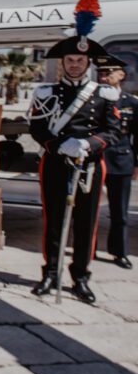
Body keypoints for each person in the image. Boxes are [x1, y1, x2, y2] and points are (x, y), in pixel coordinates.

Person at [28, 36, 121, 304]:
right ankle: (51, 274)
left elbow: (113, 132)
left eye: (80, 60)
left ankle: (80, 277)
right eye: (70, 60)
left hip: (89, 166)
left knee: (86, 224)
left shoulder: (104, 95)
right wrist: (59, 145)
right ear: (63, 63)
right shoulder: (46, 93)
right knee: (54, 221)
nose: (75, 65)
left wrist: (88, 144)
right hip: (56, 164)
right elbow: (37, 128)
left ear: (88, 63)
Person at [95, 54, 136, 269]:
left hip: (121, 162)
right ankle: (88, 248)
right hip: (96, 160)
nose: (103, 77)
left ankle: (119, 253)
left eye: (108, 73)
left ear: (120, 75)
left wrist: (136, 164)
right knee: (89, 210)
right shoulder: (92, 100)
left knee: (120, 212)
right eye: (100, 73)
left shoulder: (131, 103)